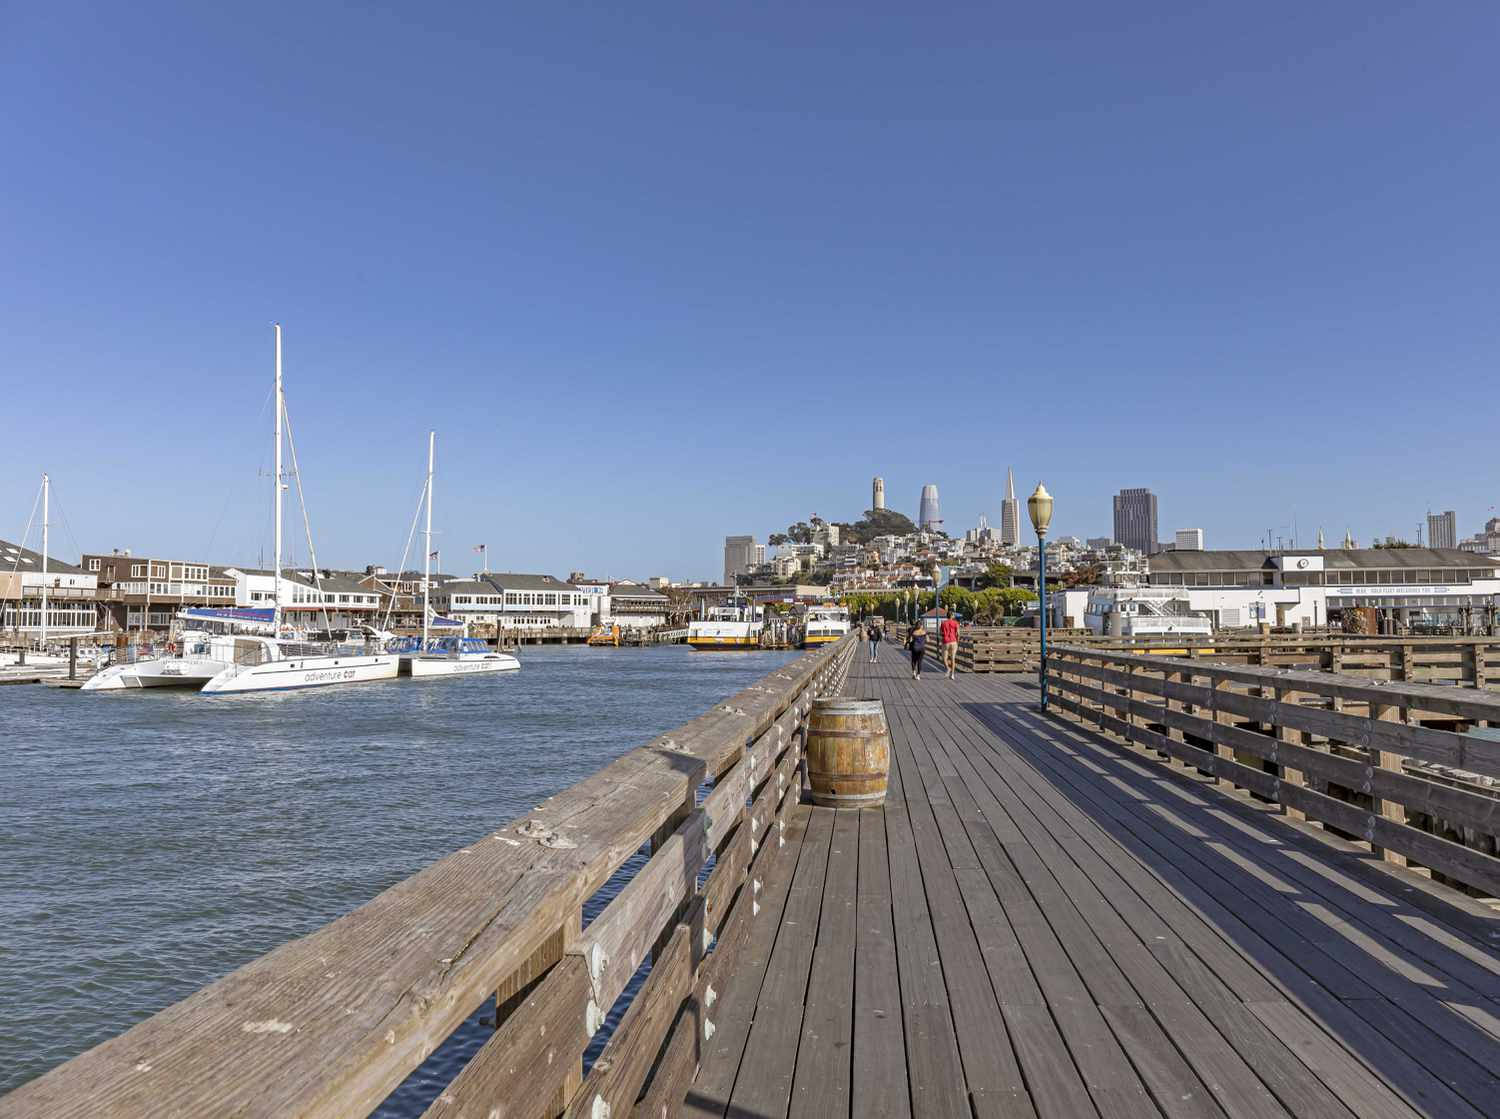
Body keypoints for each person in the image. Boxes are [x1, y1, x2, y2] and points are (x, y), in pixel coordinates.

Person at [939, 612, 959, 679]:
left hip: (946, 641)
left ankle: (948, 668)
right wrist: (957, 641)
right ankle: (952, 675)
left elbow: (940, 632)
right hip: (953, 641)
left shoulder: (943, 623)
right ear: (952, 616)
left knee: (944, 658)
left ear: (947, 616)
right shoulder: (956, 623)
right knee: (953, 658)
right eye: (953, 615)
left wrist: (944, 635)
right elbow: (958, 633)